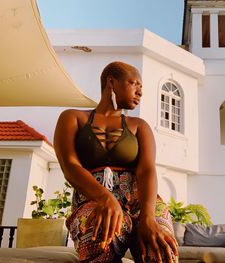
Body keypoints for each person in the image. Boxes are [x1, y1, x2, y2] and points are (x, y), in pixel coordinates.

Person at [54, 61, 178, 262]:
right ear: (111, 82)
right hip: (93, 200)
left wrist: (148, 217)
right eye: (134, 83)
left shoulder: (139, 126)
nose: (140, 92)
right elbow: (70, 166)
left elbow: (146, 170)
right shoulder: (72, 118)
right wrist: (105, 198)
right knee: (98, 236)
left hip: (141, 203)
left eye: (141, 87)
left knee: (160, 248)